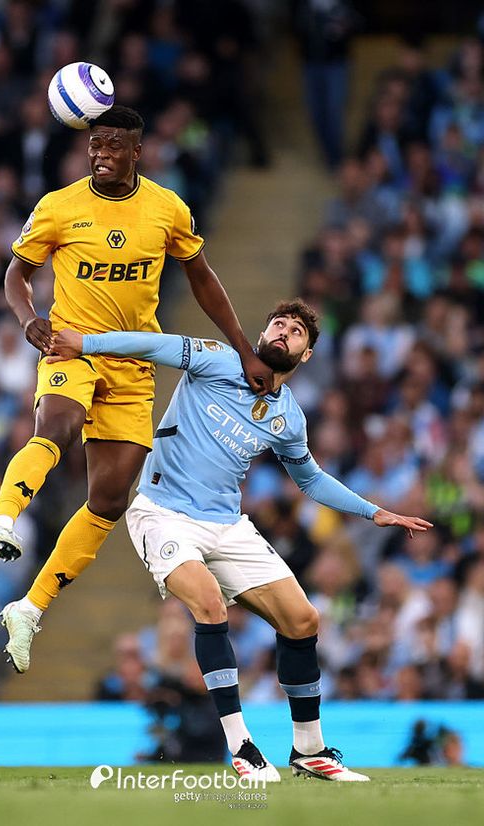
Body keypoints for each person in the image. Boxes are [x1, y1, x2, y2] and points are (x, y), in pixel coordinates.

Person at [42, 298, 431, 781]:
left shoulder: (289, 417)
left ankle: (309, 751)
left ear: (306, 354)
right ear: (263, 334)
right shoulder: (217, 359)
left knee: (303, 620)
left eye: (296, 331)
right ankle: (242, 747)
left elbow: (310, 479)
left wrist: (374, 512)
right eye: (278, 324)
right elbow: (152, 345)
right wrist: (86, 343)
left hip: (227, 524)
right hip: (162, 513)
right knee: (209, 603)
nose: (284, 332)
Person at [0, 106, 273, 670]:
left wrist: (244, 350)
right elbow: (16, 274)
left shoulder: (166, 208)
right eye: (95, 144)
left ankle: (29, 609)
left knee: (108, 500)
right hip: (71, 349)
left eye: (112, 145)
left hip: (133, 367)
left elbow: (202, 278)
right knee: (57, 427)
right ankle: (3, 519)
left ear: (137, 150)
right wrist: (28, 319)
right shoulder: (58, 207)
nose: (101, 154)